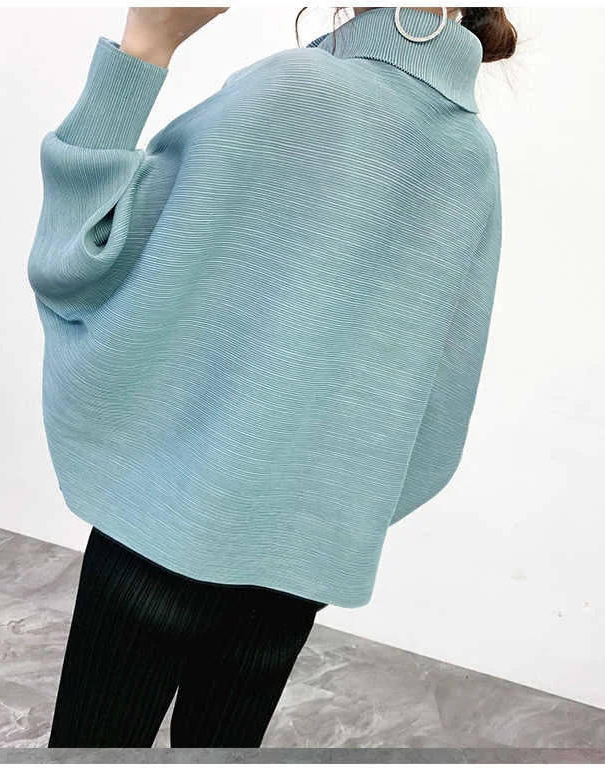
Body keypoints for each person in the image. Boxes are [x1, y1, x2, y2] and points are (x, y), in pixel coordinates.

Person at [27, 6, 517, 749]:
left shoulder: (294, 89)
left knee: (91, 756)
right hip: (298, 562)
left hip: (163, 526)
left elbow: (81, 257)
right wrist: (319, 515)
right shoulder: (472, 156)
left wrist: (146, 44)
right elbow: (440, 405)